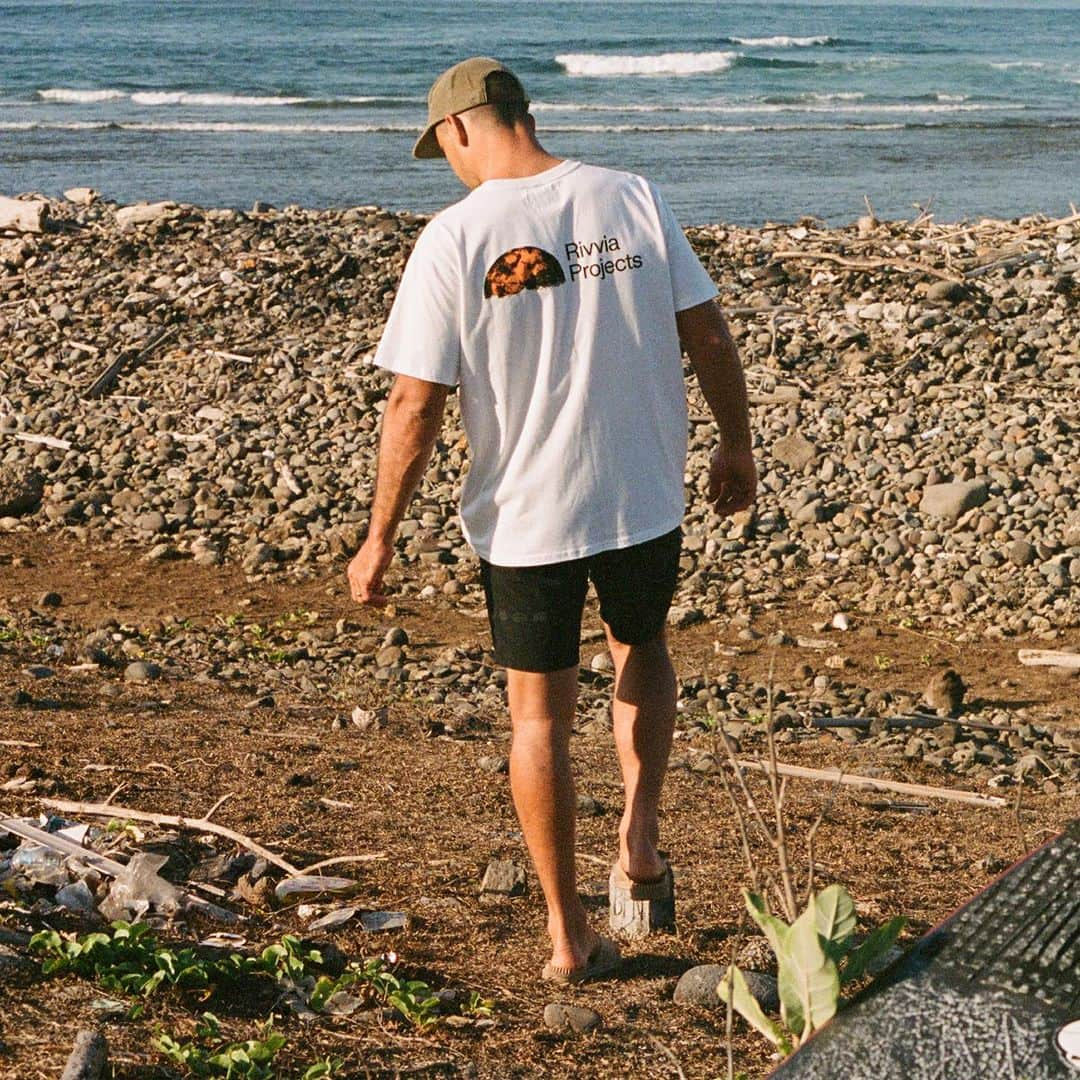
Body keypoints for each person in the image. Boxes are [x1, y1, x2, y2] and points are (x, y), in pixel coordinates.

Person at [348, 57, 756, 984]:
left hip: (529, 515)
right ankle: (640, 839)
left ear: (460, 129)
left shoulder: (455, 236)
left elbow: (414, 403)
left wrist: (378, 537)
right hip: (643, 493)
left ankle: (568, 937)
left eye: (440, 147)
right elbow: (709, 332)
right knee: (641, 646)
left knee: (538, 717)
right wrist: (737, 445)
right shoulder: (632, 196)